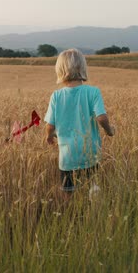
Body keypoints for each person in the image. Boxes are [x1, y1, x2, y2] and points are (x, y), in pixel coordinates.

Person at [44, 49, 115, 194]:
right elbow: (101, 118)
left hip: (67, 156)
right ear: (83, 68)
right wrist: (109, 130)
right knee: (93, 189)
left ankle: (71, 214)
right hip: (91, 154)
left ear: (59, 71)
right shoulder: (93, 92)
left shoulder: (56, 96)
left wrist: (49, 136)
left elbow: (50, 125)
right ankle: (93, 212)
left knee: (68, 192)